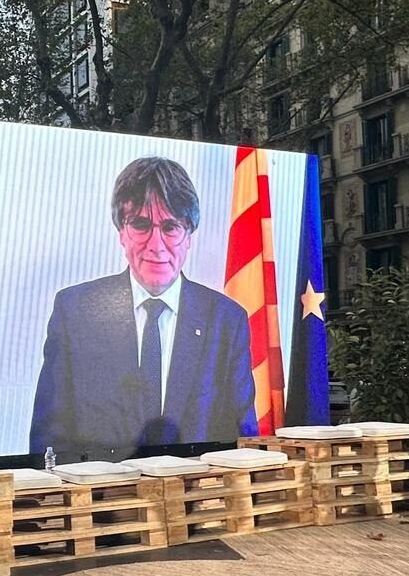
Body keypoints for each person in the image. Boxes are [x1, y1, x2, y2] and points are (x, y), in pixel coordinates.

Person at [30, 156, 258, 457]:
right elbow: (48, 438)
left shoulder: (226, 320)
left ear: (189, 235)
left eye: (170, 227)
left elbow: (243, 439)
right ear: (121, 232)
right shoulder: (75, 310)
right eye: (140, 224)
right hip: (103, 486)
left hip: (195, 485)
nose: (156, 244)